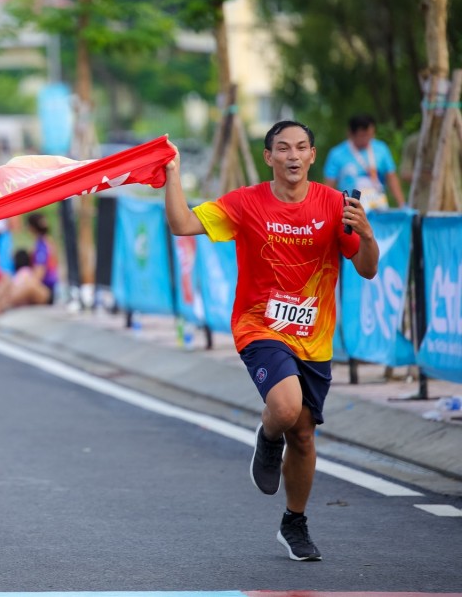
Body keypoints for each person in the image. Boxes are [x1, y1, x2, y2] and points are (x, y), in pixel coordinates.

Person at [163, 121, 378, 562]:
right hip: (260, 327)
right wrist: (172, 172)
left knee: (303, 435)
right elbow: (182, 224)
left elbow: (368, 269)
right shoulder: (246, 202)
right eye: (283, 148)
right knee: (284, 409)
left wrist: (368, 233)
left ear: (313, 156)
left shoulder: (337, 205)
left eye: (301, 147)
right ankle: (267, 435)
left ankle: (293, 523)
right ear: (269, 157)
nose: (293, 156)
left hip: (314, 339)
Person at [323, 113, 405, 210]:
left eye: (370, 135)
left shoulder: (381, 149)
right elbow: (329, 185)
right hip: (351, 207)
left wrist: (402, 204)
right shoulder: (337, 154)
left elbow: (391, 177)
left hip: (378, 205)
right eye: (363, 136)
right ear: (351, 134)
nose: (367, 139)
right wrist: (325, 208)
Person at [26, 212, 59, 304]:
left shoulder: (42, 246)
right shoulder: (48, 241)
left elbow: (39, 274)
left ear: (31, 228)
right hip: (51, 288)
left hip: (47, 289)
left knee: (26, 282)